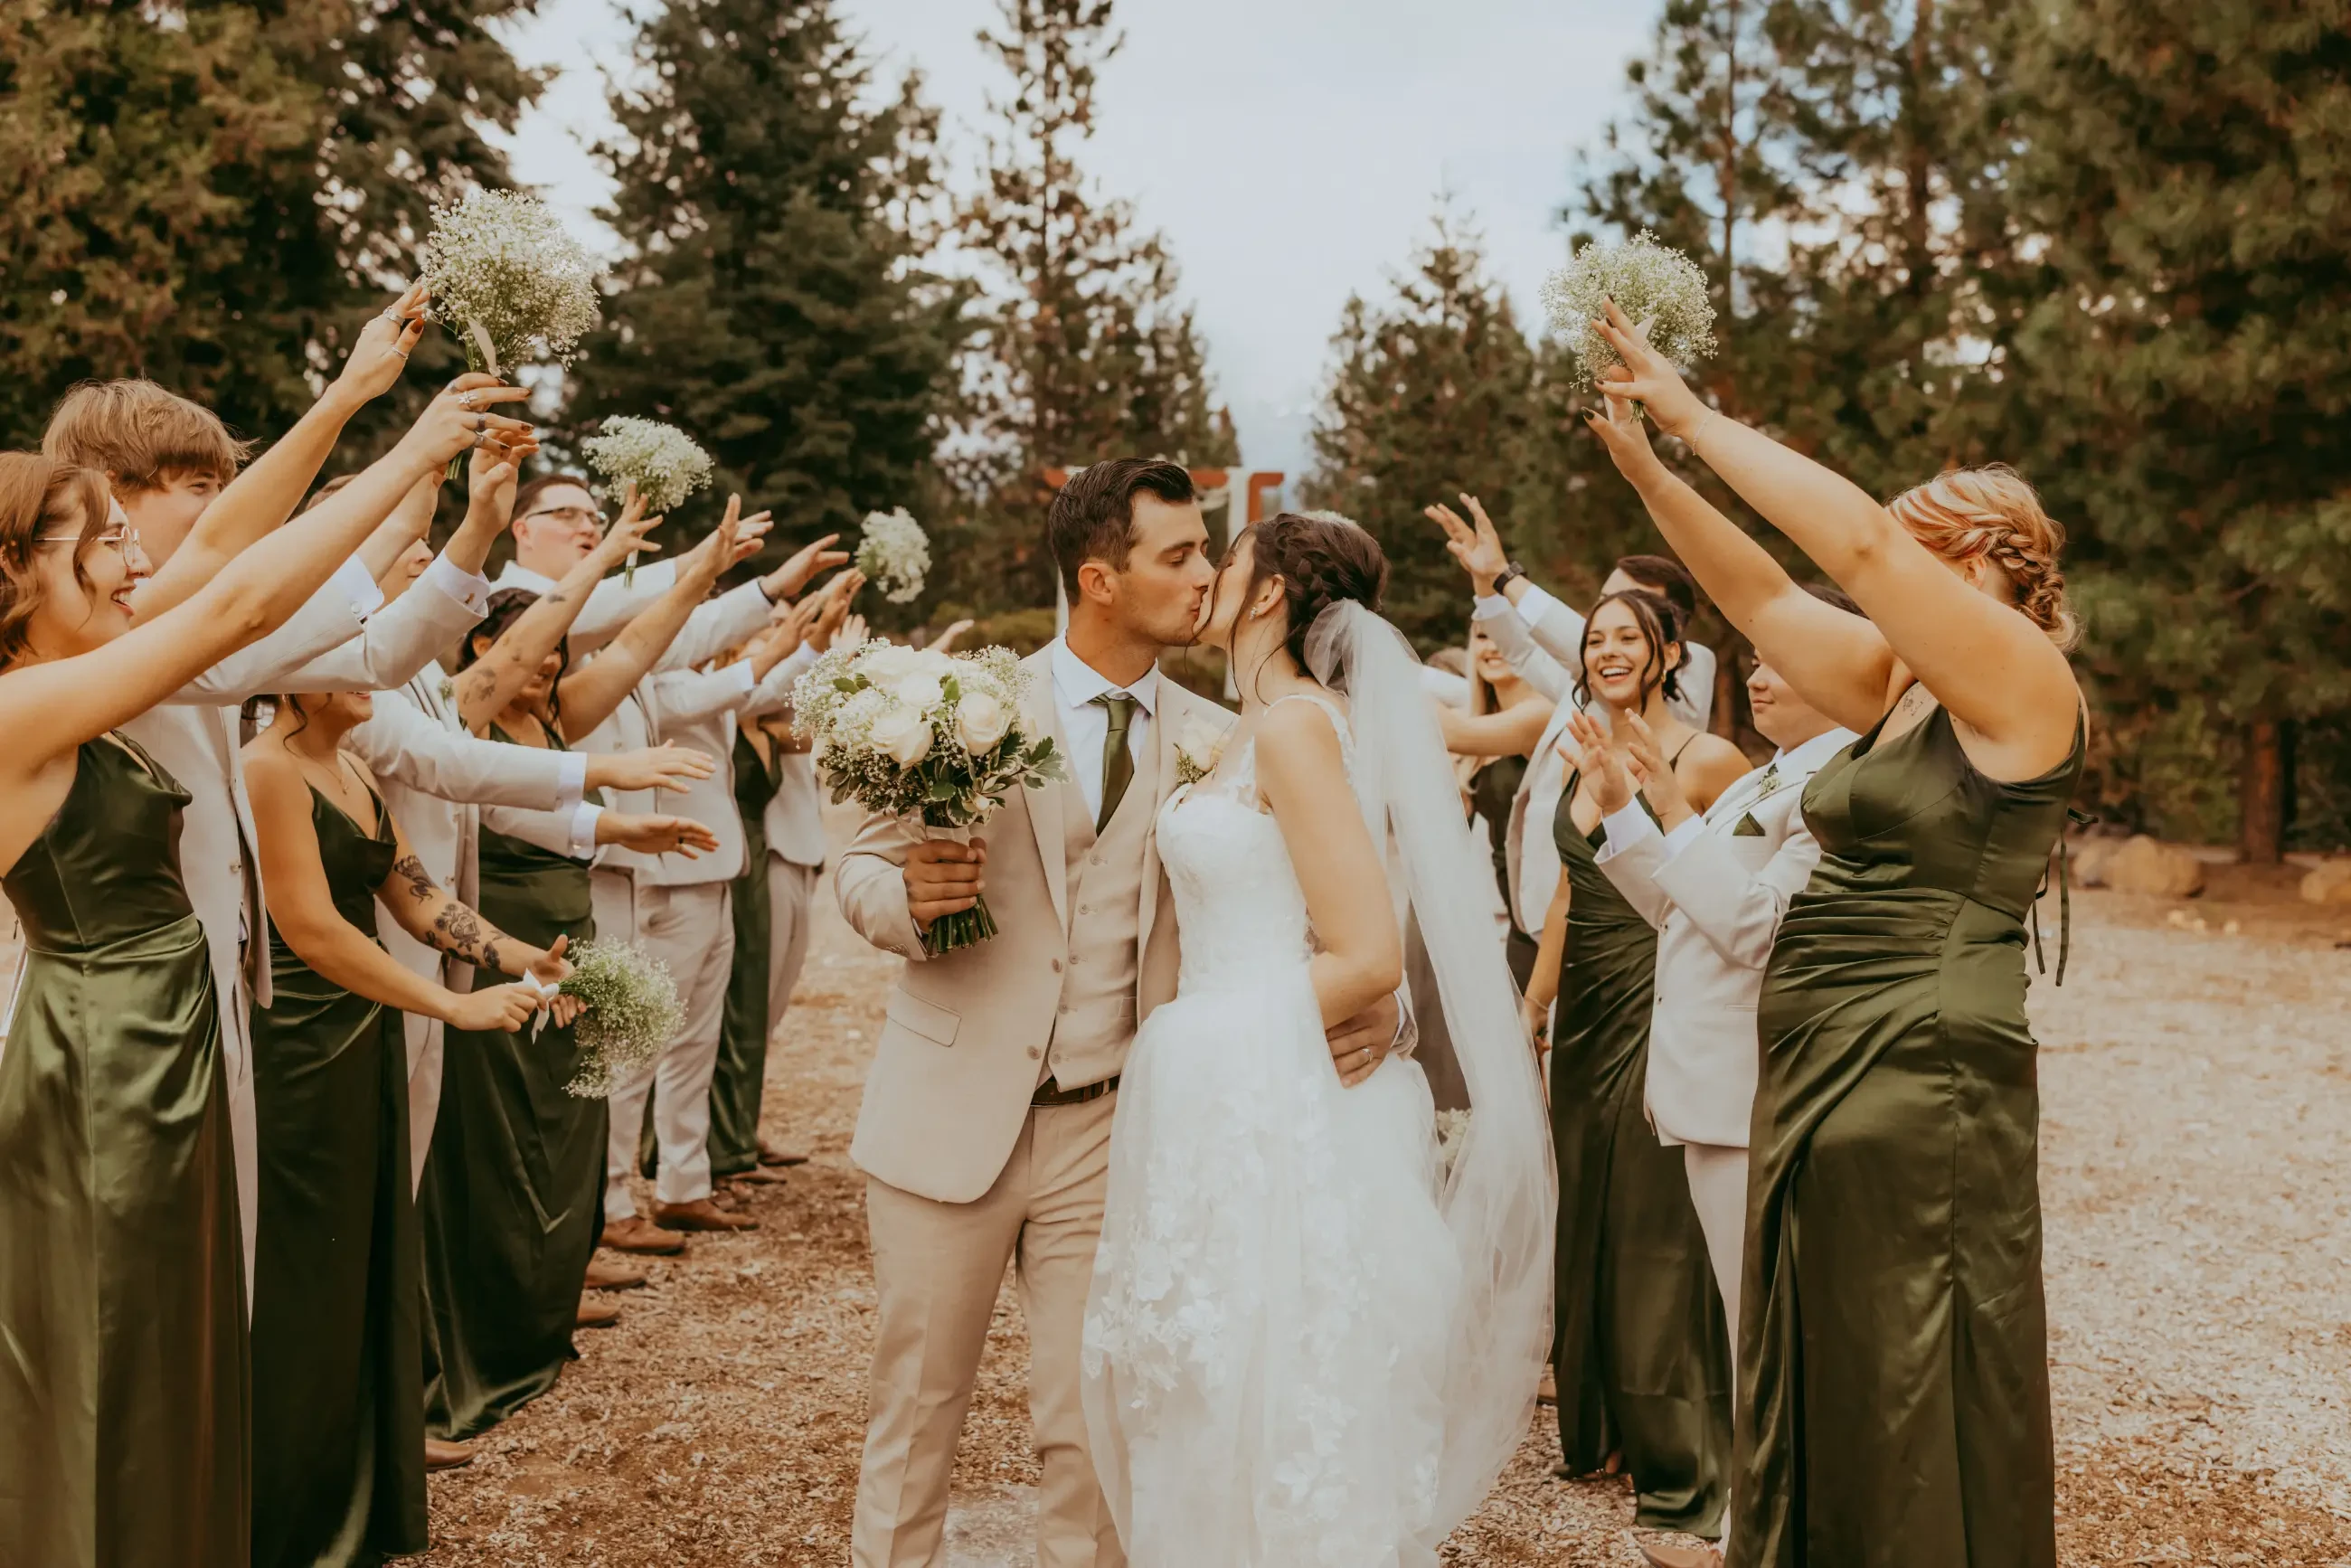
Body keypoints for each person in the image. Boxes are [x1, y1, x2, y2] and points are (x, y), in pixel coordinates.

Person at [834, 463, 1416, 1568]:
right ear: (1098, 579)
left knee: (1095, 1436)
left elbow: (1339, 903)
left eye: (1209, 553)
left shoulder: (1221, 733)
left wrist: (1385, 1011)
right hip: (947, 1112)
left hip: (1119, 1131)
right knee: (914, 1419)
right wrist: (906, 903)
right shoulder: (960, 699)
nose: (1203, 574)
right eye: (1178, 555)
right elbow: (858, 862)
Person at [1584, 300, 2084, 1568]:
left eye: (1926, 558)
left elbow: (1857, 546)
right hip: (1816, 1065)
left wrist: (1697, 413)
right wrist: (1654, 469)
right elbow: (1757, 590)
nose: (1895, 581)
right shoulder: (1903, 687)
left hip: (1919, 1069)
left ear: (1979, 562)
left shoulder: (2023, 683)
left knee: (1905, 1372)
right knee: (1822, 1369)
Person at [0, 368, 507, 1568]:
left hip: (154, 1044)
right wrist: (404, 450)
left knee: (177, 1364)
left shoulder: (81, 680)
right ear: (18, 577)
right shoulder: (27, 707)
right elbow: (230, 604)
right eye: (103, 547)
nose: (133, 567)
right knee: (115, 1368)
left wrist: (375, 417)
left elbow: (225, 556)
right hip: (99, 1066)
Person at [1081, 511, 1554, 1566]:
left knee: (1284, 1388)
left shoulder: (1296, 725)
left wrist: (1188, 1039)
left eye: (1224, 558)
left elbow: (1368, 954)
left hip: (1267, 1096)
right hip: (1248, 1091)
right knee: (1219, 1383)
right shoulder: (1255, 723)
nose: (1204, 573)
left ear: (1267, 594)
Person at [44, 314, 526, 1290]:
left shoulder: (137, 625)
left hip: (208, 985)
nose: (220, 506)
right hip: (112, 1018)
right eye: (195, 483)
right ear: (111, 502)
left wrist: (434, 492)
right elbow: (236, 589)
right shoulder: (96, 646)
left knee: (223, 1279)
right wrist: (381, 432)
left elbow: (366, 647)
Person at [418, 504, 742, 1439]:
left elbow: (637, 645)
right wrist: (615, 801)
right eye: (525, 651)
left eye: (553, 652)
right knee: (502, 1142)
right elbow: (519, 804)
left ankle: (542, 1314)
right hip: (500, 941)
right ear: (483, 652)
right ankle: (495, 1330)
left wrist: (696, 570)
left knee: (568, 1130)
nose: (546, 664)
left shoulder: (559, 712)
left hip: (569, 934)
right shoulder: (464, 723)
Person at [241, 686, 573, 1568]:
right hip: (298, 1046)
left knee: (368, 1255)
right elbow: (310, 929)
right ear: (290, 668)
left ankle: (356, 1498)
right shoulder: (265, 766)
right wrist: (447, 1008)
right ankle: (288, 1522)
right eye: (346, 657)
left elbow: (419, 901)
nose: (369, 677)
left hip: (363, 1029)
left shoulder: (350, 767)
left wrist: (523, 961)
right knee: (305, 1270)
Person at [1577, 589, 1862, 1568]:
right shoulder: (1770, 778)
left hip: (1751, 1091)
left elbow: (1749, 930)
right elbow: (1679, 910)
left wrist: (1663, 810)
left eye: (1778, 660)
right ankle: (1757, 1527)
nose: (1755, 674)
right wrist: (1622, 818)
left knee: (1761, 1338)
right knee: (1751, 1333)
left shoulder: (1830, 791)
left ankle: (1761, 1539)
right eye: (1750, 658)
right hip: (1702, 1084)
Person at [1522, 588, 1749, 1540]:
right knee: (1588, 1211)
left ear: (1664, 653)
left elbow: (1728, 893)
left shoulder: (1707, 760)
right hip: (1584, 1013)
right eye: (1594, 639)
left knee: (1654, 1227)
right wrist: (1534, 1002)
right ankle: (1602, 1425)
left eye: (1626, 638)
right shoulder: (1577, 748)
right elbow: (1576, 892)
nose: (1607, 650)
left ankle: (1682, 1453)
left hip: (1663, 1001)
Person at [1427, 496, 1714, 982]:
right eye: (1604, 602)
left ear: (1672, 635)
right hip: (1537, 910)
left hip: (1611, 926)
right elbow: (1519, 650)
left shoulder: (1694, 663)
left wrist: (1507, 575)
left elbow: (1581, 641)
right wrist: (1486, 584)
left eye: (1631, 610)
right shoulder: (1580, 680)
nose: (1608, 616)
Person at [708, 575, 863, 1190]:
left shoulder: (782, 692)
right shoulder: (751, 695)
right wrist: (831, 655)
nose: (779, 636)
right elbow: (803, 718)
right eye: (772, 628)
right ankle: (727, 1136)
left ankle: (743, 1125)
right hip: (766, 854)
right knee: (747, 1008)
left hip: (801, 850)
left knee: (766, 1009)